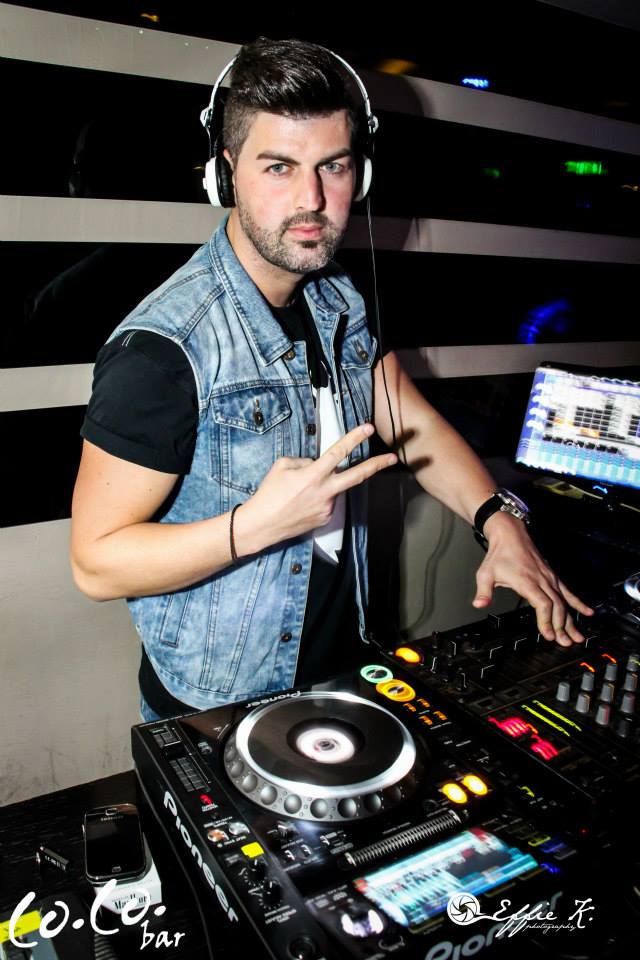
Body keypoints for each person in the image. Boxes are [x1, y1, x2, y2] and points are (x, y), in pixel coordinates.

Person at [70, 37, 593, 722]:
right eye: (278, 167)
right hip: (223, 704)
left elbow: (407, 418)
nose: (312, 199)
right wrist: (254, 526)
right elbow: (96, 562)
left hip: (345, 659)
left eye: (334, 166)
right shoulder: (164, 349)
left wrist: (498, 519)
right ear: (226, 174)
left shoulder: (334, 296)